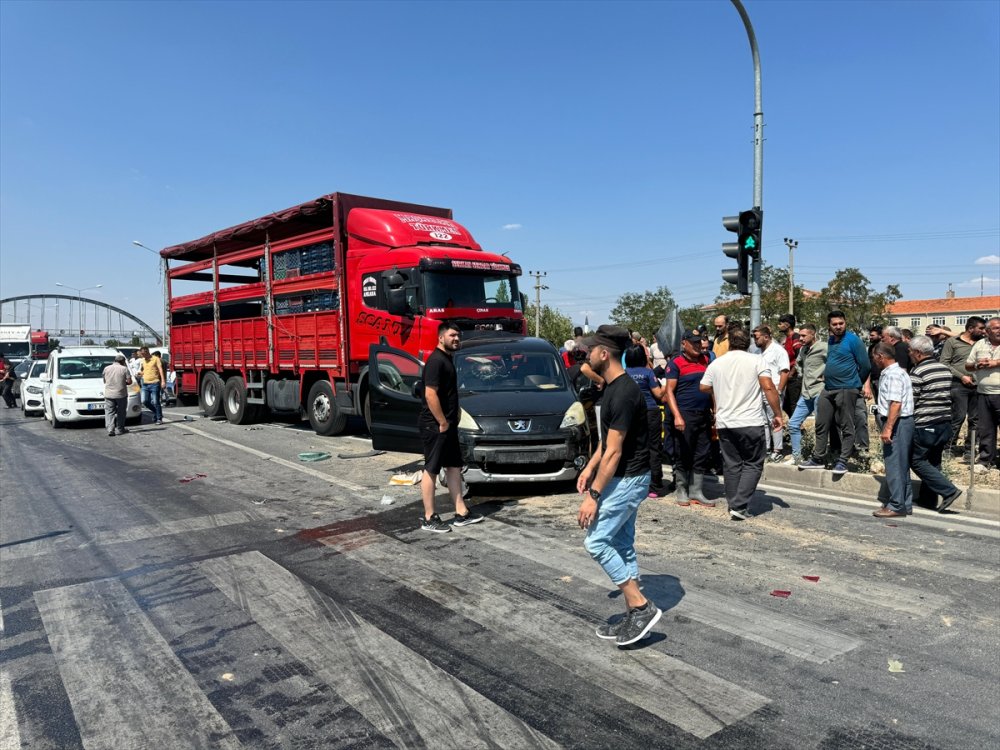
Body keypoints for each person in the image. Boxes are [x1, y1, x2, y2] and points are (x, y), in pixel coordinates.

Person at [576, 325, 660, 646]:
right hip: (623, 476)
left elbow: (615, 450)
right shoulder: (611, 388)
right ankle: (633, 615)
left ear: (604, 353)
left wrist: (594, 495)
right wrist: (590, 468)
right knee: (621, 545)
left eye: (590, 350)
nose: (585, 355)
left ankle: (640, 605)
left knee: (596, 543)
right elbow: (604, 444)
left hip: (628, 478)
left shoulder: (624, 392)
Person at [699, 328, 783, 521]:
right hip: (749, 421)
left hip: (725, 422)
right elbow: (768, 386)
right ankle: (739, 505)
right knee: (753, 463)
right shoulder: (756, 360)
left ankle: (733, 503)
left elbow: (703, 386)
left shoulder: (717, 363)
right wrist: (778, 414)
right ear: (748, 343)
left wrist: (722, 386)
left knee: (731, 464)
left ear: (729, 343)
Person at [418, 321, 483, 532]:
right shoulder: (436, 361)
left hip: (448, 425)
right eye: (452, 335)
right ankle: (429, 518)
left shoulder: (447, 359)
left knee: (454, 467)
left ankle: (461, 512)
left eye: (458, 336)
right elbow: (430, 393)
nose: (456, 339)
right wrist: (442, 422)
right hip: (436, 426)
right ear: (441, 337)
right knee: (431, 469)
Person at [800, 311, 870, 474]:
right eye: (835, 324)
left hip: (847, 389)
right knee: (821, 423)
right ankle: (818, 458)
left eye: (841, 323)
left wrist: (854, 385)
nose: (838, 326)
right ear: (829, 326)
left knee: (846, 425)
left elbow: (865, 366)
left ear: (845, 323)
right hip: (828, 388)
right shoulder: (831, 340)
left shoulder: (854, 340)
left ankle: (843, 461)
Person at [907, 336, 962, 512]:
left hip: (926, 423)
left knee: (916, 461)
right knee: (933, 461)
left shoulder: (918, 372)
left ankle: (949, 491)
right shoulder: (944, 369)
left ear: (917, 353)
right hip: (944, 421)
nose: (909, 354)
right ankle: (927, 499)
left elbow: (912, 400)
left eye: (910, 351)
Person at [664, 330, 716, 508]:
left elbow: (711, 388)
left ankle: (696, 491)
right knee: (683, 453)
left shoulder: (706, 360)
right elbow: (669, 392)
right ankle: (681, 489)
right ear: (684, 343)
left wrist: (715, 410)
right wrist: (677, 416)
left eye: (699, 342)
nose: (698, 346)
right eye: (693, 343)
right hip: (685, 414)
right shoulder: (675, 363)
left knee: (702, 452)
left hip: (703, 414)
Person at [872, 343, 914, 518]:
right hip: (901, 422)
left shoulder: (893, 375)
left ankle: (897, 505)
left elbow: (896, 403)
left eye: (874, 357)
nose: (873, 361)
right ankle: (904, 502)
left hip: (898, 423)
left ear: (880, 356)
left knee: (894, 464)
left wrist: (888, 428)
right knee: (901, 464)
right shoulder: (895, 372)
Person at [625, 344, 667, 498]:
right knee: (654, 448)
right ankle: (655, 485)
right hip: (651, 411)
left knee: (633, 447)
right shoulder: (648, 373)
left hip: (632, 413)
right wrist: (666, 385)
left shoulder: (624, 374)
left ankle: (634, 482)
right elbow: (658, 395)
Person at [941, 316, 986, 456]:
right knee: (957, 417)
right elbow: (944, 363)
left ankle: (970, 449)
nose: (984, 331)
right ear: (970, 328)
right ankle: (949, 447)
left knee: (975, 419)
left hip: (978, 385)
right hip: (958, 385)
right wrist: (962, 376)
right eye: (981, 328)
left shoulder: (983, 343)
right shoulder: (952, 342)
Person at [785, 324, 827, 465]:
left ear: (813, 335)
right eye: (800, 335)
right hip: (806, 393)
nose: (800, 338)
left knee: (820, 426)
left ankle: (820, 456)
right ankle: (796, 457)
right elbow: (798, 364)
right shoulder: (803, 349)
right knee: (793, 423)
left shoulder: (824, 347)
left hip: (819, 391)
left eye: (804, 335)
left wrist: (827, 376)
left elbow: (835, 362)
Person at [966, 317, 1000, 474]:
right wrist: (977, 365)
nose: (999, 330)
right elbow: (968, 365)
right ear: (987, 331)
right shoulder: (980, 345)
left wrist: (996, 363)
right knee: (986, 428)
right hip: (983, 393)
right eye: (996, 328)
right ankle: (986, 460)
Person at [753, 325, 790, 462]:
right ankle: (767, 448)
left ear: (766, 337)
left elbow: (784, 371)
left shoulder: (778, 351)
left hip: (773, 390)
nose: (755, 340)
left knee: (775, 419)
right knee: (763, 421)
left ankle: (777, 449)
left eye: (757, 337)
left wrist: (779, 390)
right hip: (760, 391)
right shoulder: (757, 352)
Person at [103, 354, 133, 436]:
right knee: (121, 412)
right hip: (121, 394)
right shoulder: (124, 369)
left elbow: (104, 381)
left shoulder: (106, 368)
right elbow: (130, 381)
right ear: (122, 361)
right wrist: (124, 382)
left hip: (109, 394)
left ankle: (110, 429)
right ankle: (120, 429)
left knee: (109, 412)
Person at [778, 314, 802, 417]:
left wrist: (791, 373)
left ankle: (796, 428)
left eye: (780, 323)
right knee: (785, 404)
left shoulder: (795, 337)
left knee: (793, 403)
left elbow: (799, 357)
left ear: (787, 325)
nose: (778, 326)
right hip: (788, 377)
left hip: (794, 377)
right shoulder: (786, 339)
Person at [139, 347, 166, 425]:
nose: (143, 355)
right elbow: (145, 370)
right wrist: (140, 373)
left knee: (156, 401)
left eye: (144, 354)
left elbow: (160, 369)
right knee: (144, 401)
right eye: (142, 354)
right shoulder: (143, 360)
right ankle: (157, 412)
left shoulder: (155, 359)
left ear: (147, 352)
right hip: (145, 384)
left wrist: (163, 381)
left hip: (155, 383)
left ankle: (159, 418)